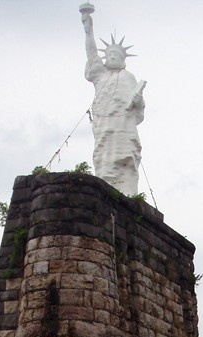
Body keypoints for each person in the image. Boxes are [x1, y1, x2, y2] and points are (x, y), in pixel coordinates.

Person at [79, 3, 145, 195]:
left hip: (123, 126)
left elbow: (139, 108)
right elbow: (91, 53)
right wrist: (88, 30)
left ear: (123, 58)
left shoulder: (128, 77)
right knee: (104, 157)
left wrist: (137, 99)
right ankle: (106, 190)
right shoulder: (100, 74)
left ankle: (127, 194)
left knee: (126, 158)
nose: (113, 57)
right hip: (104, 124)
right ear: (106, 57)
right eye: (110, 54)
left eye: (117, 54)